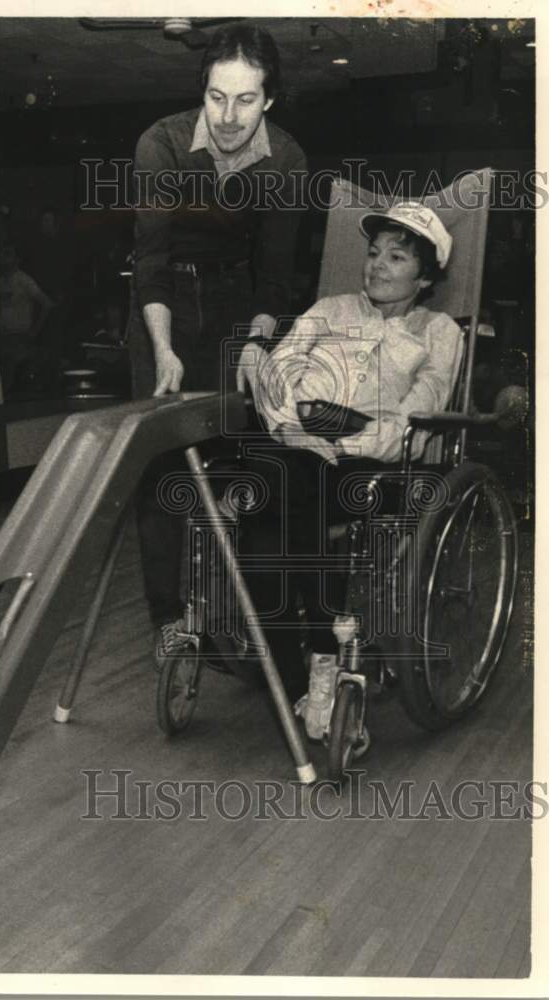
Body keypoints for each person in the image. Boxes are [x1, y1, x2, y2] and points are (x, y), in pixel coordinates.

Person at [236, 201, 462, 739]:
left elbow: (421, 415)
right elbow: (278, 371)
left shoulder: (440, 331)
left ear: (426, 276)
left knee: (285, 495)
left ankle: (304, 664)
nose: (378, 264)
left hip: (375, 464)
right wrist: (295, 430)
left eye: (398, 257)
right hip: (295, 442)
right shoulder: (328, 309)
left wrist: (344, 443)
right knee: (278, 482)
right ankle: (315, 661)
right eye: (373, 252)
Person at [128, 23, 307, 666]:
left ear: (271, 100)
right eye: (216, 97)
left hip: (238, 309)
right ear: (202, 91)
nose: (229, 117)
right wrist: (163, 351)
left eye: (247, 100)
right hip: (163, 305)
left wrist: (258, 344)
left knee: (244, 459)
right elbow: (151, 260)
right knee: (161, 473)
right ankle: (167, 624)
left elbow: (276, 274)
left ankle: (241, 611)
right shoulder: (162, 144)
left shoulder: (286, 159)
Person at [0, 244, 52, 396]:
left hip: (20, 337)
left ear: (16, 259)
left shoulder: (25, 280)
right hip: (4, 338)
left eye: (8, 255)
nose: (4, 259)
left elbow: (46, 304)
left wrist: (35, 331)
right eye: (2, 255)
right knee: (2, 381)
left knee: (16, 383)